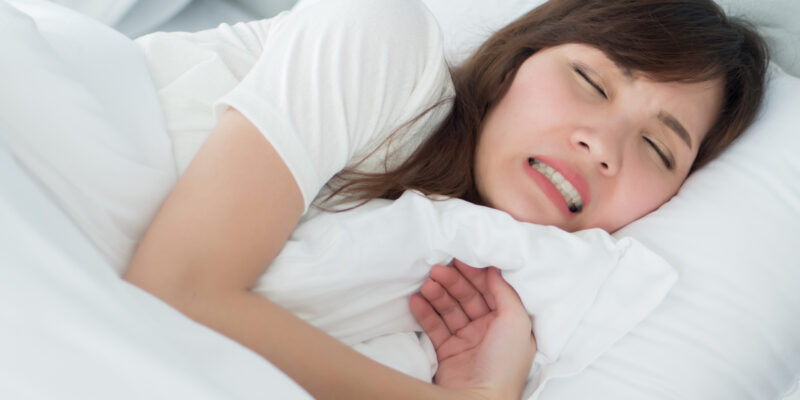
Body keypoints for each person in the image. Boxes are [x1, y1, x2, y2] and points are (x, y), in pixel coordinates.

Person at [124, 0, 768, 398]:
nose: (603, 145)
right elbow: (175, 290)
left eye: (659, 150)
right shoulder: (383, 39)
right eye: (590, 81)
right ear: (516, 62)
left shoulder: (465, 316)